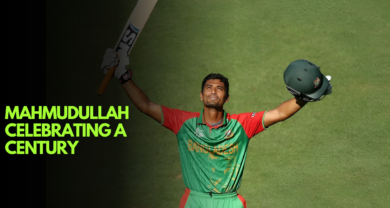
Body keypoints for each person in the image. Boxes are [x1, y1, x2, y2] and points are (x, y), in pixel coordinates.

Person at [101, 48, 332, 208]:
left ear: (227, 97)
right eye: (209, 87)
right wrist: (123, 76)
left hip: (228, 202)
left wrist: (305, 97)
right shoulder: (183, 122)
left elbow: (280, 113)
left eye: (219, 88)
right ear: (201, 95)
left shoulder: (242, 125)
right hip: (195, 200)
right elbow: (145, 105)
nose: (213, 90)